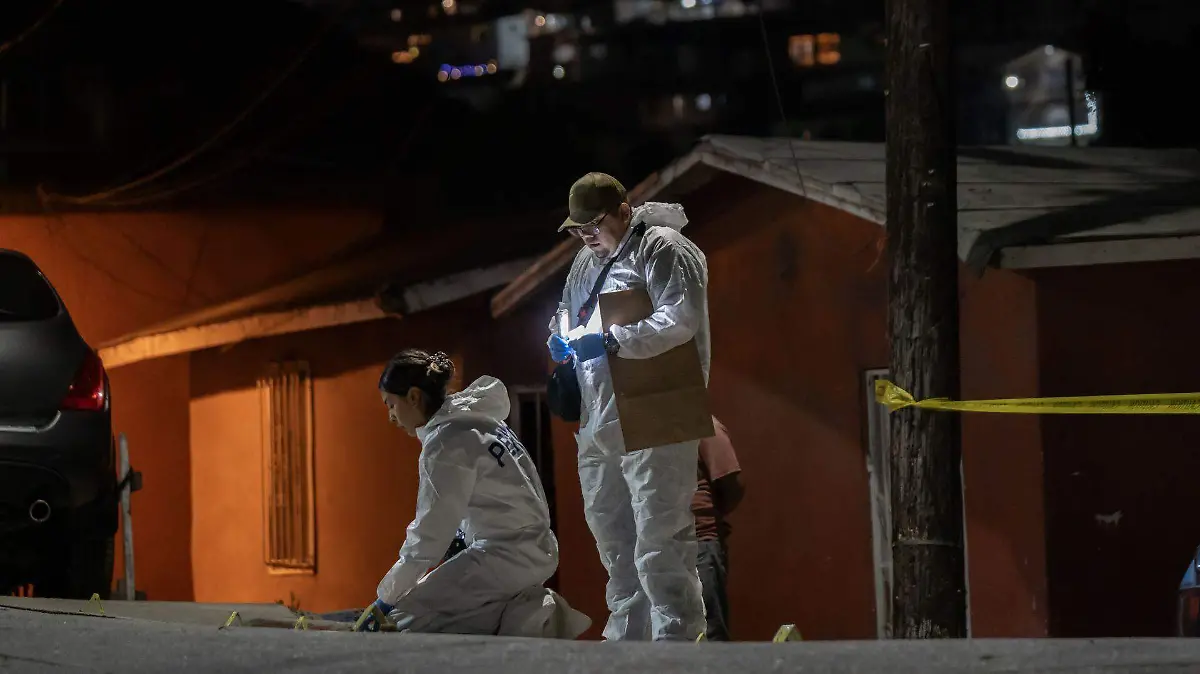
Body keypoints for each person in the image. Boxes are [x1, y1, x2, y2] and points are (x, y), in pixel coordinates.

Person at [546, 172, 709, 641]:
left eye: (594, 224)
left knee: (661, 543)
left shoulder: (665, 247)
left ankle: (675, 651)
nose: (586, 236)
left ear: (624, 208)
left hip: (657, 413)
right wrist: (558, 337)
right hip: (600, 420)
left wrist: (613, 342)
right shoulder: (584, 261)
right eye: (577, 229)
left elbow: (681, 318)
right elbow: (565, 309)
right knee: (615, 547)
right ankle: (626, 651)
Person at [363, 349, 589, 637]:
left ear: (414, 397)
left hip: (503, 555)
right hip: (534, 547)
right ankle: (523, 614)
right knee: (457, 604)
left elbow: (428, 538)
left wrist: (386, 598)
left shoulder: (445, 442)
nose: (391, 417)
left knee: (407, 617)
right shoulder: (483, 422)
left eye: (391, 405)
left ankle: (536, 617)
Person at [694, 417, 744, 641]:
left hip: (700, 542)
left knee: (710, 630)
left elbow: (731, 485)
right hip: (661, 548)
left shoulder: (705, 425)